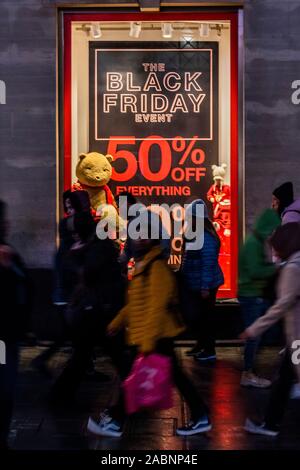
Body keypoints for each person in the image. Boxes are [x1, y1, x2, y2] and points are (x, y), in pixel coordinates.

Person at [87, 211, 211, 437]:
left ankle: (115, 420)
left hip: (156, 335)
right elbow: (135, 302)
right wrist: (117, 322)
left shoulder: (157, 267)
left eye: (145, 234)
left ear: (154, 237)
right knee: (164, 377)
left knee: (136, 379)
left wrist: (146, 343)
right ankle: (200, 414)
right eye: (137, 234)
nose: (140, 238)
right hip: (150, 335)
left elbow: (156, 307)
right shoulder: (145, 264)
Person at [50, 211, 125, 402]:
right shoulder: (95, 246)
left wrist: (76, 255)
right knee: (98, 354)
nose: (74, 234)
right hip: (97, 309)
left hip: (97, 309)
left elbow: (89, 273)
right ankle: (59, 395)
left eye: (76, 230)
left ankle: (60, 395)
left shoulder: (93, 247)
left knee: (88, 355)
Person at [242, 223, 300, 436]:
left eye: (275, 247)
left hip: (297, 339)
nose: (273, 252)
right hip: (294, 339)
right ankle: (270, 424)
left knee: (284, 380)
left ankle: (270, 424)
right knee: (284, 379)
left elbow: (280, 307)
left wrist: (254, 329)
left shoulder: (293, 268)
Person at [0, 200, 32, 449]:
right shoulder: (6, 255)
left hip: (8, 333)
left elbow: (25, 288)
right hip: (2, 337)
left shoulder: (8, 253)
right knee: (4, 381)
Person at [238, 208, 281, 388]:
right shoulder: (254, 244)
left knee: (258, 333)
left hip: (252, 294)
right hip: (251, 295)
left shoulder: (253, 242)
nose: (273, 234)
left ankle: (250, 369)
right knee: (254, 335)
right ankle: (248, 373)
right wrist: (276, 268)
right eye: (272, 229)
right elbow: (256, 271)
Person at [181, 199, 224, 361]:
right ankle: (201, 345)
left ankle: (209, 350)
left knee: (206, 317)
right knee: (199, 317)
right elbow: (188, 258)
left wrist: (205, 286)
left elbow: (208, 262)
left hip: (205, 285)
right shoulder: (194, 234)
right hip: (196, 283)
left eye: (190, 216)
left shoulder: (206, 237)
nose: (187, 219)